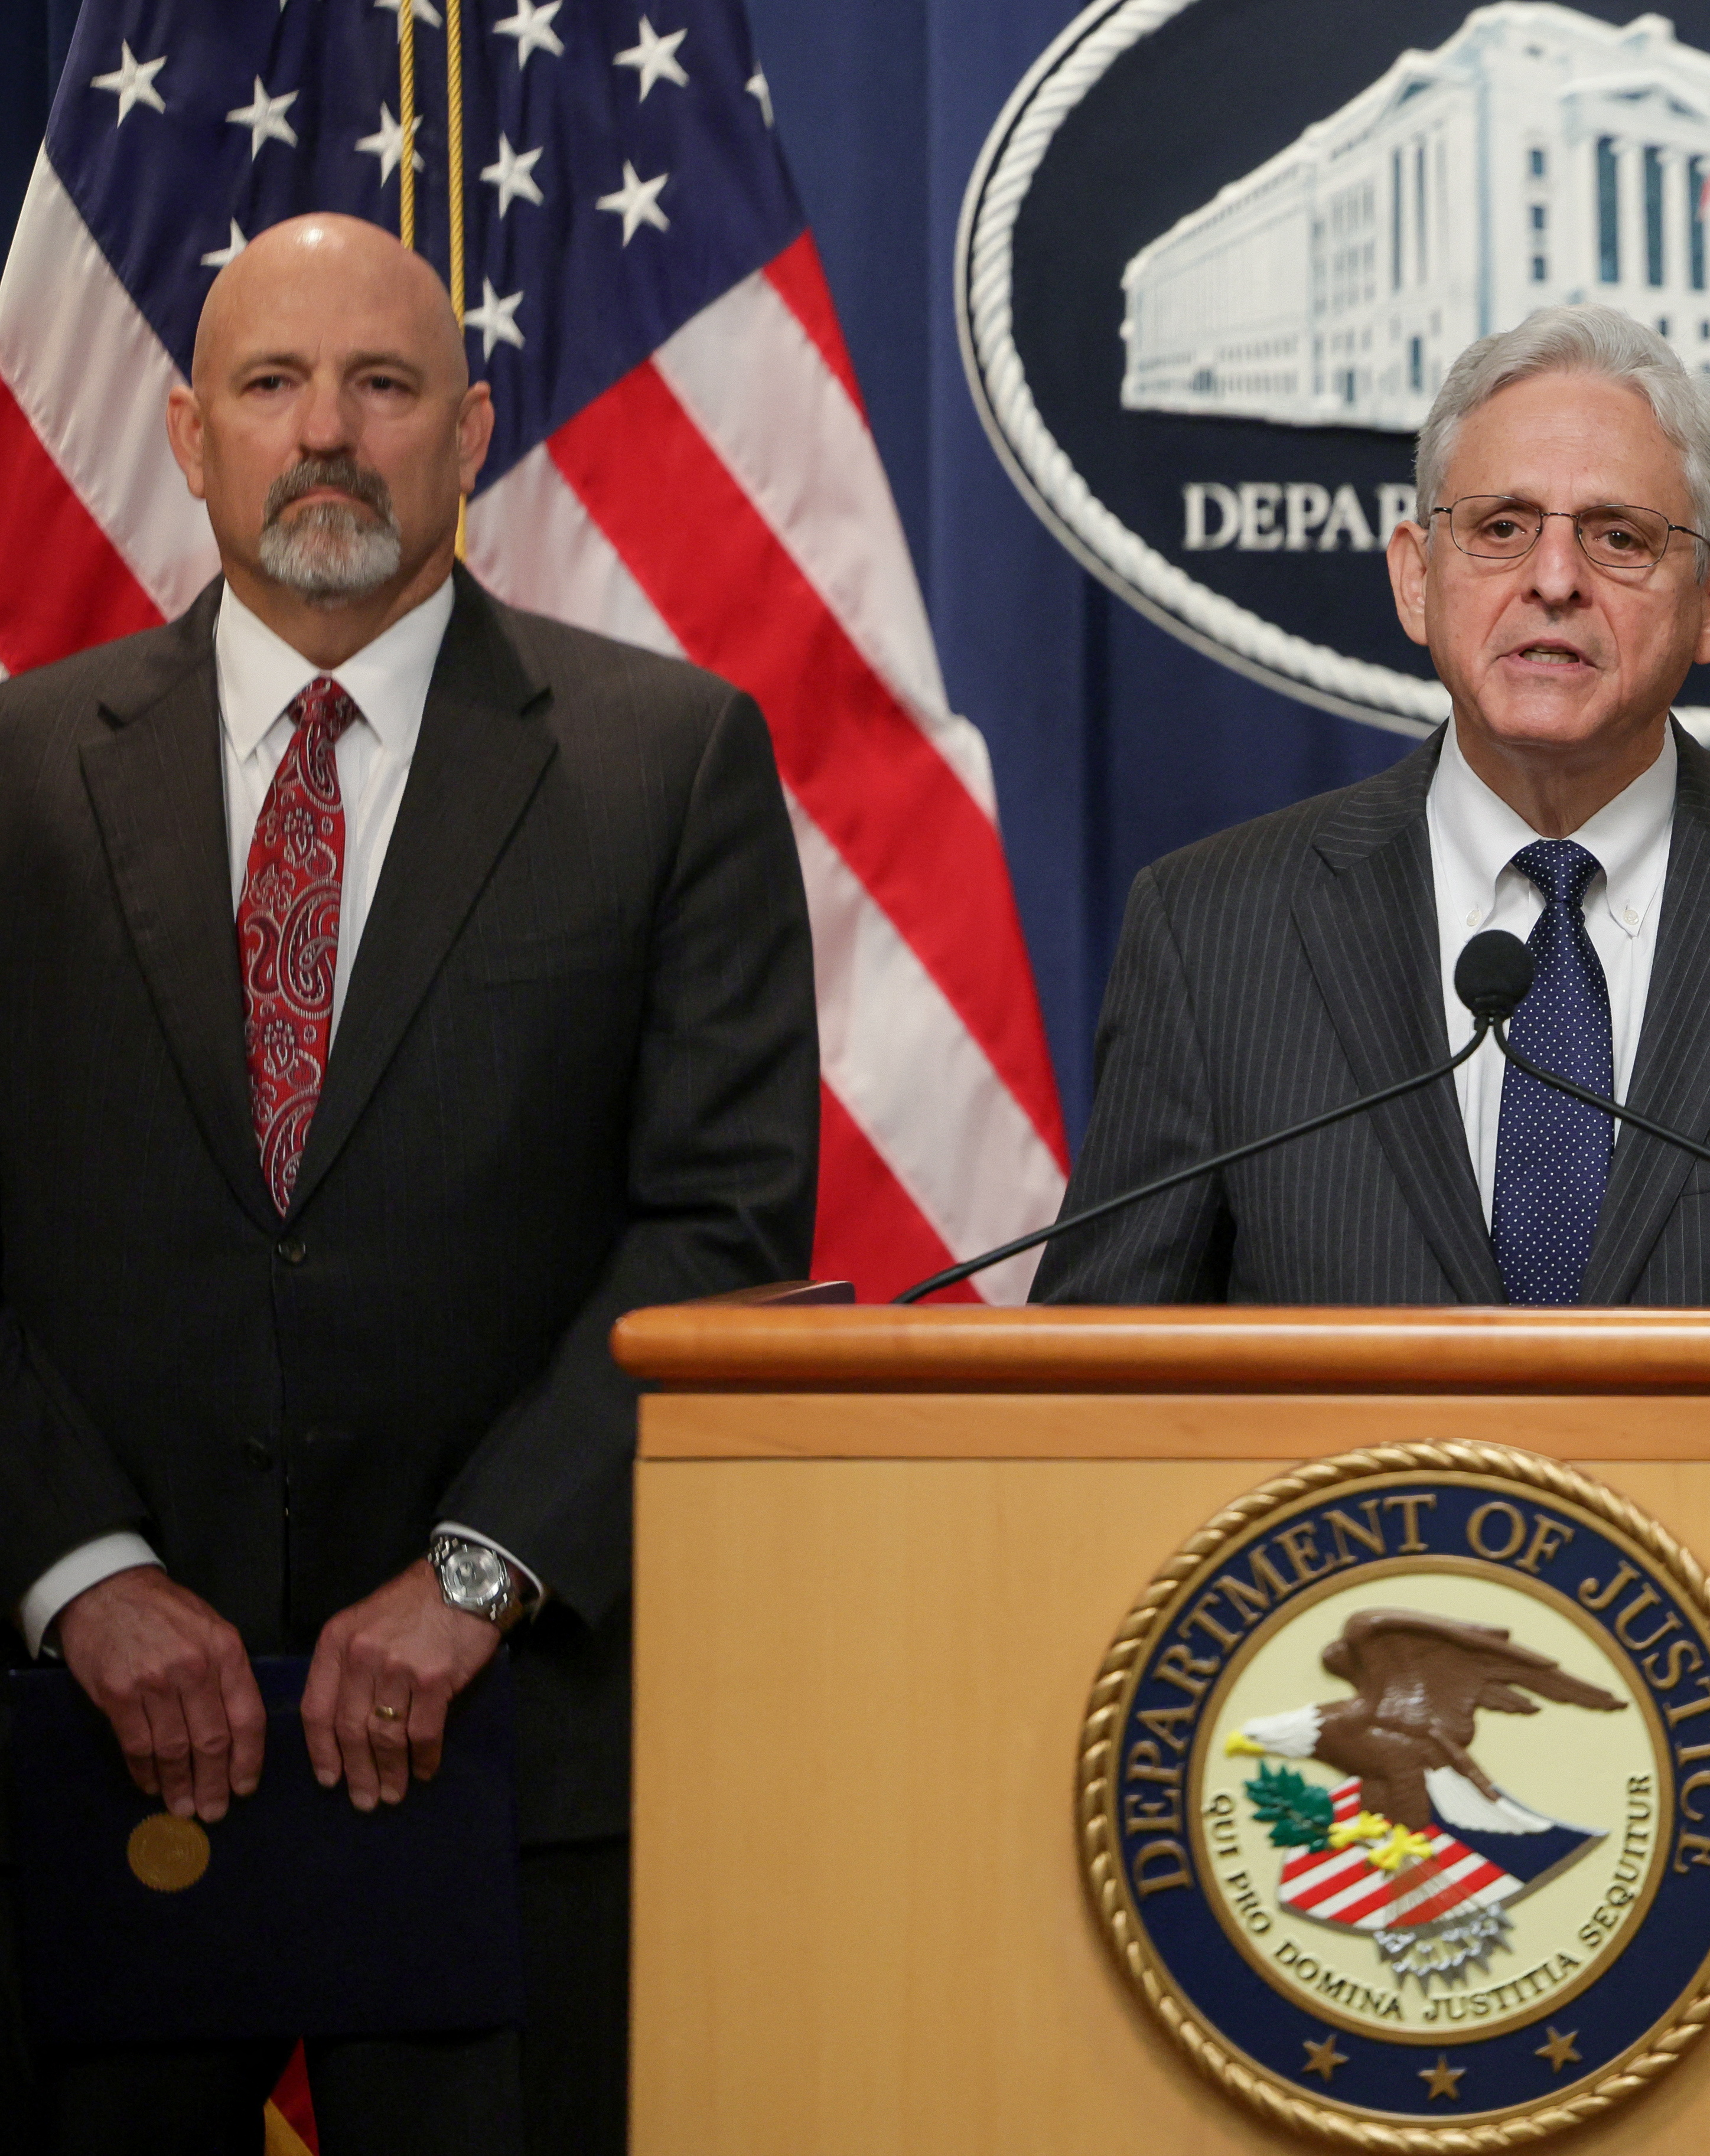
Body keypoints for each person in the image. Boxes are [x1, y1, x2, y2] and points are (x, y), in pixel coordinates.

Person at [0, 215, 816, 2152]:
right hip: (70, 1744)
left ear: (472, 428)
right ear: (189, 435)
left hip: (504, 1762)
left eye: (382, 387)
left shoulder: (667, 760)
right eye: (275, 387)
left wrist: (477, 1571)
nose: (330, 434)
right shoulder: (17, 775)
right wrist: (82, 1575)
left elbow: (719, 1228)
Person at [1032, 305, 1710, 1306]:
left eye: (1619, 538)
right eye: (1501, 528)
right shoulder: (1212, 936)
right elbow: (1093, 1406)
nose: (1554, 580)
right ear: (1417, 578)